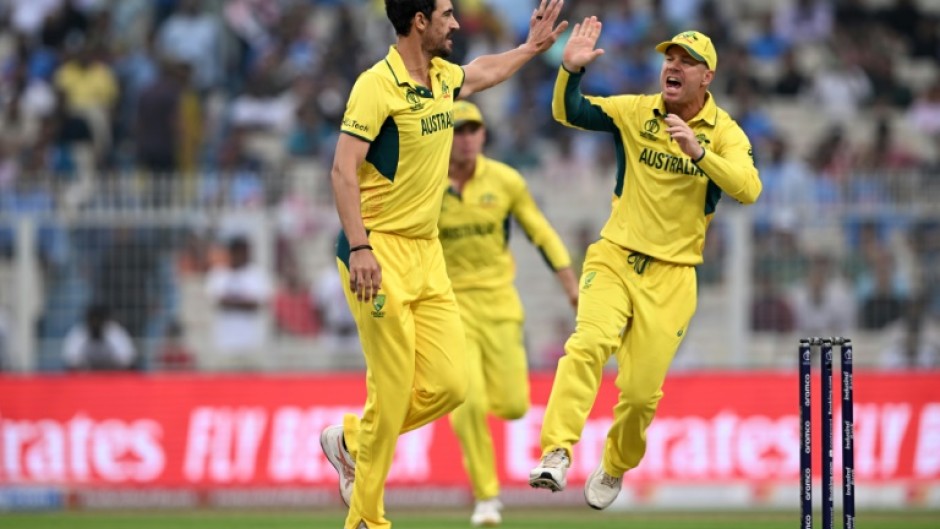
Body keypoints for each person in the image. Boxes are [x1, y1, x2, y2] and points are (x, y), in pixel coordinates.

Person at [318, 2, 568, 528]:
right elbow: (343, 170)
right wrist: (361, 248)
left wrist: (529, 49)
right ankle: (367, 520)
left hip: (427, 254)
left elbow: (482, 72)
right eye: (447, 14)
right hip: (378, 252)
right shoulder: (376, 84)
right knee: (390, 388)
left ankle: (350, 441)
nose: (456, 24)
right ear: (418, 21)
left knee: (451, 386)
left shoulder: (441, 78)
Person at [528, 22, 762, 510]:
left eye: (686, 61)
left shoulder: (725, 133)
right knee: (587, 344)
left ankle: (614, 465)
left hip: (673, 277)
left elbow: (749, 188)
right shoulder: (637, 111)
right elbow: (568, 112)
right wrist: (569, 72)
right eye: (669, 58)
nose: (673, 66)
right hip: (614, 257)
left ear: (707, 77)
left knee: (638, 396)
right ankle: (556, 449)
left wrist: (699, 154)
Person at [441, 101, 578, 526]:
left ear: (483, 135)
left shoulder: (505, 181)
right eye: (458, 130)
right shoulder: (424, 185)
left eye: (473, 130)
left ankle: (487, 489)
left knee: (513, 405)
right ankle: (487, 497)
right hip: (448, 310)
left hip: (499, 306)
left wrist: (572, 289)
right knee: (468, 401)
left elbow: (542, 233)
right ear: (444, 136)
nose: (466, 137)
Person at [62, 304, 137, 371]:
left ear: (105, 321)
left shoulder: (114, 331)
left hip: (112, 375)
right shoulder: (79, 333)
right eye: (93, 321)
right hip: (86, 376)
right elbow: (70, 360)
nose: (96, 324)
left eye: (98, 321)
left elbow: (127, 359)